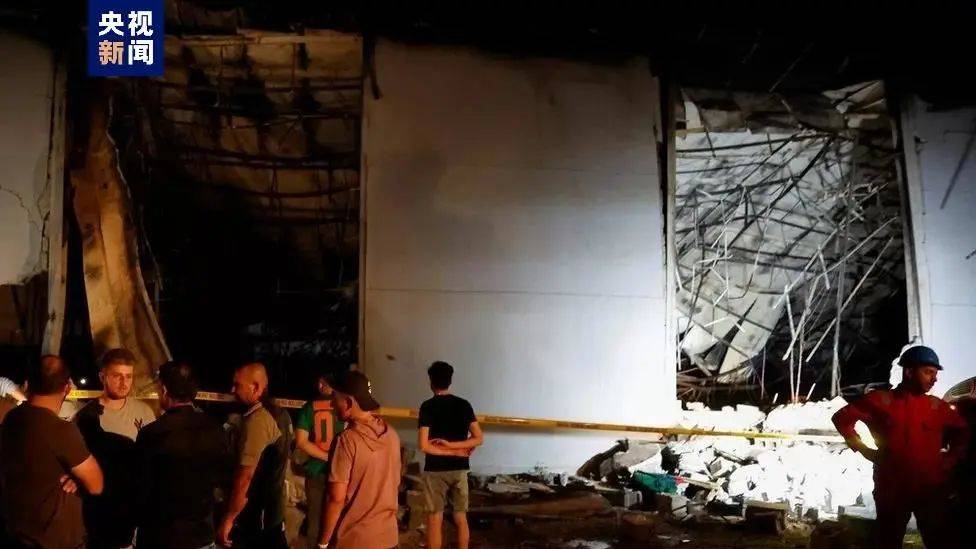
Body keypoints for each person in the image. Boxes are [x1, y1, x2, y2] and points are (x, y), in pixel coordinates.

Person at [832, 345, 969, 549]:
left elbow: (963, 432)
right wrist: (863, 450)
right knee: (888, 541)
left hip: (929, 490)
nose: (934, 379)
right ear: (909, 372)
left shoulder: (936, 406)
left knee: (938, 540)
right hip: (892, 490)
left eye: (935, 374)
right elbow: (841, 419)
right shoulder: (880, 401)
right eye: (928, 372)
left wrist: (949, 460)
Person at [1, 355, 104, 549]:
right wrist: (78, 478)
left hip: (17, 532)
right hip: (52, 540)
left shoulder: (12, 419)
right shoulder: (60, 430)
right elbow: (96, 484)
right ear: (67, 388)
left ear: (27, 384)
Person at [135, 361, 231, 549]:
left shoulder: (152, 434)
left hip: (162, 537)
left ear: (164, 390)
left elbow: (140, 487)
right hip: (201, 536)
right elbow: (224, 480)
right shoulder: (216, 430)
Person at [74, 348, 156, 549]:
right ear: (103, 377)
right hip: (100, 517)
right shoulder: (87, 417)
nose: (124, 382)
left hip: (134, 515)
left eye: (128, 376)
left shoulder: (145, 412)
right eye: (117, 376)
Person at [317, 371, 401, 549]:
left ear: (348, 403)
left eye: (335, 398)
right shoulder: (392, 435)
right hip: (388, 538)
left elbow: (336, 499)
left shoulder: (346, 441)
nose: (332, 403)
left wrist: (323, 543)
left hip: (355, 540)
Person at [218, 363, 293, 549]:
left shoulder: (258, 420)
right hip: (273, 514)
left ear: (256, 387)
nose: (232, 390)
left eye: (237, 385)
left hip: (256, 518)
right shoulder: (282, 414)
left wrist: (229, 518)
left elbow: (246, 477)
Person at [417, 361, 483, 549]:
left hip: (435, 471)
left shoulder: (427, 407)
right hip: (459, 469)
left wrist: (447, 447)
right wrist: (455, 449)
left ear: (431, 381)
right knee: (461, 518)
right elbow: (478, 438)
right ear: (450, 381)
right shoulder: (464, 405)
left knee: (434, 519)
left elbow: (423, 445)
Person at [295, 370, 345, 548]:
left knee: (314, 521)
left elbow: (301, 441)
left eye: (324, 383)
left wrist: (324, 456)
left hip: (315, 470)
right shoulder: (345, 407)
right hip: (340, 471)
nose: (319, 386)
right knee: (337, 520)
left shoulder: (309, 407)